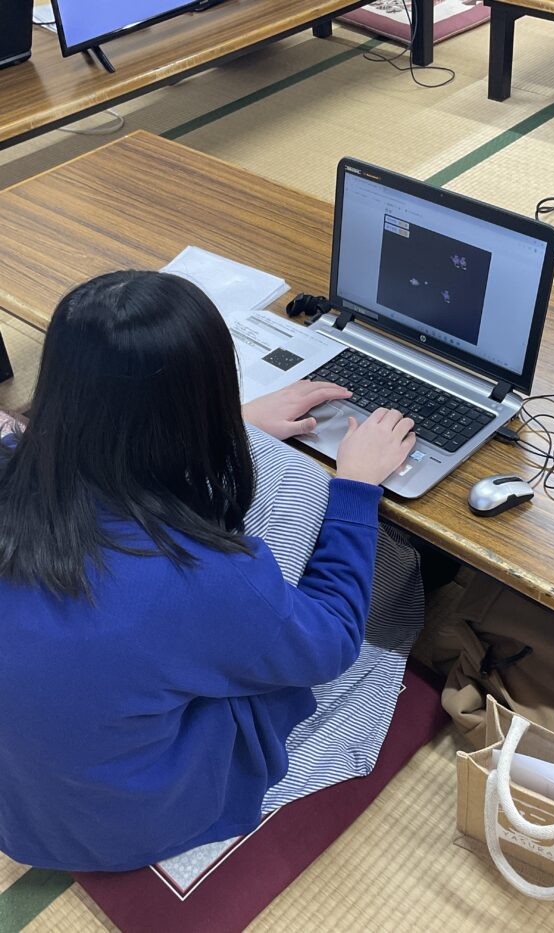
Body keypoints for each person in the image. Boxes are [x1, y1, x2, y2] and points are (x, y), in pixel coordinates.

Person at [0, 270, 416, 873]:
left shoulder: (13, 459)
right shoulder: (198, 575)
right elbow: (331, 643)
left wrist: (235, 423)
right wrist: (354, 486)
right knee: (299, 495)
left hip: (20, 808)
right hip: (123, 829)